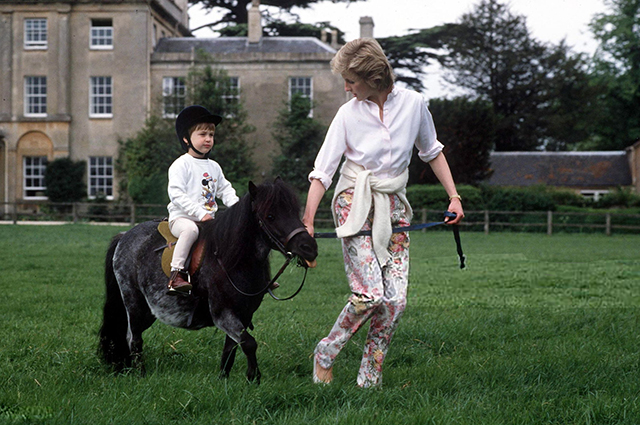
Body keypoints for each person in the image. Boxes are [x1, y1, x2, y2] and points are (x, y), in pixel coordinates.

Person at [302, 38, 464, 388]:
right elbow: (323, 172)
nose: (346, 87)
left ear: (373, 77)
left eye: (351, 80)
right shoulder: (347, 113)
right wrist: (308, 221)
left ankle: (369, 377)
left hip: (394, 205)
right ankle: (325, 353)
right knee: (369, 295)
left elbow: (432, 152)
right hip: (354, 203)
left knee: (394, 302)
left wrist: (454, 197)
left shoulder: (415, 105)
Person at [166, 105, 239, 295]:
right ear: (186, 138)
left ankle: (248, 275)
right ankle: (176, 275)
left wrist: (239, 209)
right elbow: (176, 194)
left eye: (211, 135)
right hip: (182, 219)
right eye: (202, 134)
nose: (208, 139)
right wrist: (201, 214)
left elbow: (225, 190)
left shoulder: (214, 166)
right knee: (190, 231)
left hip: (207, 221)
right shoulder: (181, 164)